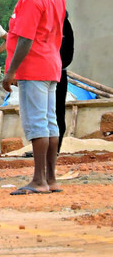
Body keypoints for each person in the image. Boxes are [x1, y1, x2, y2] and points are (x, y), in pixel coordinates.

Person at [2, 0, 66, 195]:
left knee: (37, 123)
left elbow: (25, 38)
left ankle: (38, 180)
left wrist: (11, 72)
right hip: (51, 64)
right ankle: (50, 178)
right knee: (50, 123)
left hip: (33, 66)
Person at [55, 13, 74, 152]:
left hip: (55, 72)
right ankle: (54, 149)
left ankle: (53, 149)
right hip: (60, 71)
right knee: (58, 111)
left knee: (54, 112)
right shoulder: (66, 25)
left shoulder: (59, 26)